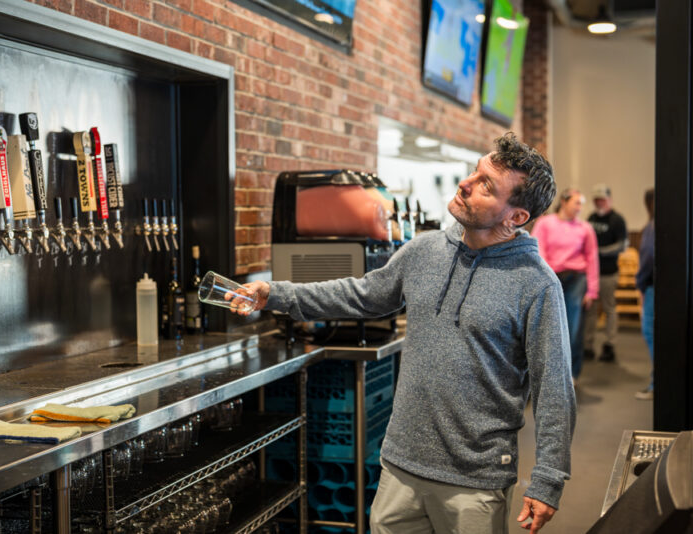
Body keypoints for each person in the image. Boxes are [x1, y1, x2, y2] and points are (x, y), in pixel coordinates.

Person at [234, 134, 575, 534]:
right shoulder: (425, 251)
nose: (466, 184)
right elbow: (360, 295)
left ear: (515, 216)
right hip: (401, 467)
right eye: (475, 172)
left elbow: (554, 387)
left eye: (486, 185)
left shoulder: (536, 285)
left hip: (475, 480)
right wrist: (275, 293)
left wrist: (548, 478)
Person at [531, 190, 599, 383]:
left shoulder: (585, 228)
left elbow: (592, 258)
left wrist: (593, 290)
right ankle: (548, 373)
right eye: (576, 203)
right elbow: (538, 249)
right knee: (548, 325)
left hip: (576, 279)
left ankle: (571, 374)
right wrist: (544, 278)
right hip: (551, 277)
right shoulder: (545, 223)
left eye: (581, 204)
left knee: (573, 326)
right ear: (563, 202)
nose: (580, 208)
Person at [583, 184, 628, 362]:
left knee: (609, 309)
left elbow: (621, 245)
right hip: (591, 274)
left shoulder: (617, 220)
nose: (599, 202)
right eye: (596, 199)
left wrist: (598, 252)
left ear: (609, 199)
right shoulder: (591, 218)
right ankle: (588, 345)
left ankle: (610, 344)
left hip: (609, 273)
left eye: (602, 199)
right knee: (590, 311)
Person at [635, 188, 655, 400]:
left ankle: (657, 383)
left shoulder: (652, 227)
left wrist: (640, 285)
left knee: (651, 332)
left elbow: (648, 257)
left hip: (654, 288)